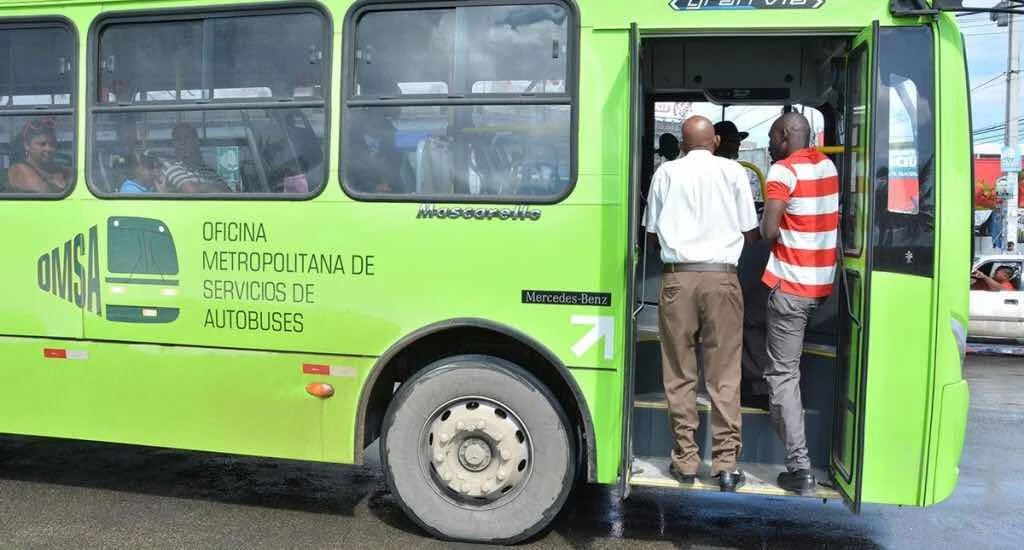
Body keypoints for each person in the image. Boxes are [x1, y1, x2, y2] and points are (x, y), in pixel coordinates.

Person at [643, 115, 759, 492]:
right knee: (725, 374)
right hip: (722, 278)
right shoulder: (734, 172)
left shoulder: (665, 174)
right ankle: (726, 465)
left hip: (678, 278)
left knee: (680, 374)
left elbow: (653, 236)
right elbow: (750, 231)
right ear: (713, 142)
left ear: (681, 144)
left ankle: (687, 461)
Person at [759, 112, 839, 495]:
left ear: (786, 134)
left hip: (791, 288)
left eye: (773, 136)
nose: (771, 144)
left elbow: (769, 230)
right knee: (791, 370)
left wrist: (767, 218)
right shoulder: (829, 167)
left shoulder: (782, 172)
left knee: (782, 376)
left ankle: (799, 465)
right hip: (821, 289)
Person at [7, 118, 72, 194]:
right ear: (27, 145)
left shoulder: (57, 168)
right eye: (42, 144)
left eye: (52, 144)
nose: (48, 149)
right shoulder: (18, 169)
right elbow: (46, 196)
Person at [162, 122, 230, 193]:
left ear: (196, 142)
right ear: (174, 145)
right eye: (178, 139)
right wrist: (212, 188)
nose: (182, 142)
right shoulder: (172, 167)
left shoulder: (208, 170)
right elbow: (191, 190)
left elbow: (229, 192)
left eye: (187, 137)